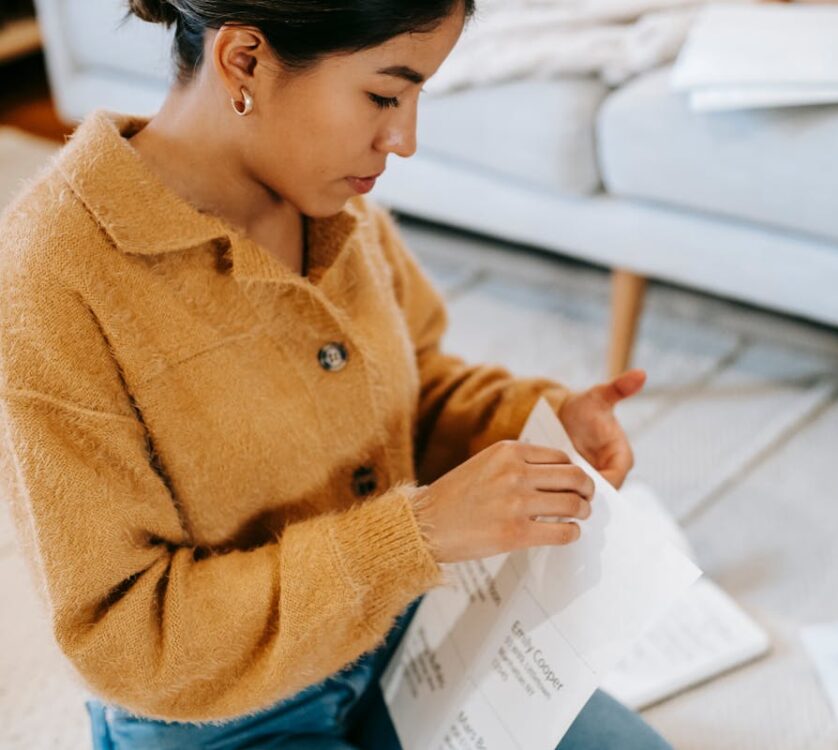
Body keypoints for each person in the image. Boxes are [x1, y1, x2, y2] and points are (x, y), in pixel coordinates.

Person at [0, 0, 668, 747]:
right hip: (222, 719)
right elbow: (128, 635)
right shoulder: (54, 276)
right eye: (385, 95)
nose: (405, 139)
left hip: (405, 638)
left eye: (417, 98)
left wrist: (535, 423)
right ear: (244, 60)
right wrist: (415, 536)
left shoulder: (333, 204)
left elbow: (413, 388)